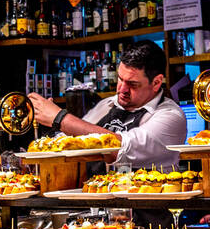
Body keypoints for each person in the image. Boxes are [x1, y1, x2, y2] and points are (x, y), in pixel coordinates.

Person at [27, 41, 186, 169]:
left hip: (141, 205)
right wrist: (48, 124)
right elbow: (70, 143)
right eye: (120, 79)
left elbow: (120, 148)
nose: (122, 89)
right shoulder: (107, 105)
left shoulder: (170, 116)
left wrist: (60, 118)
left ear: (157, 82)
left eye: (132, 84)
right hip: (94, 202)